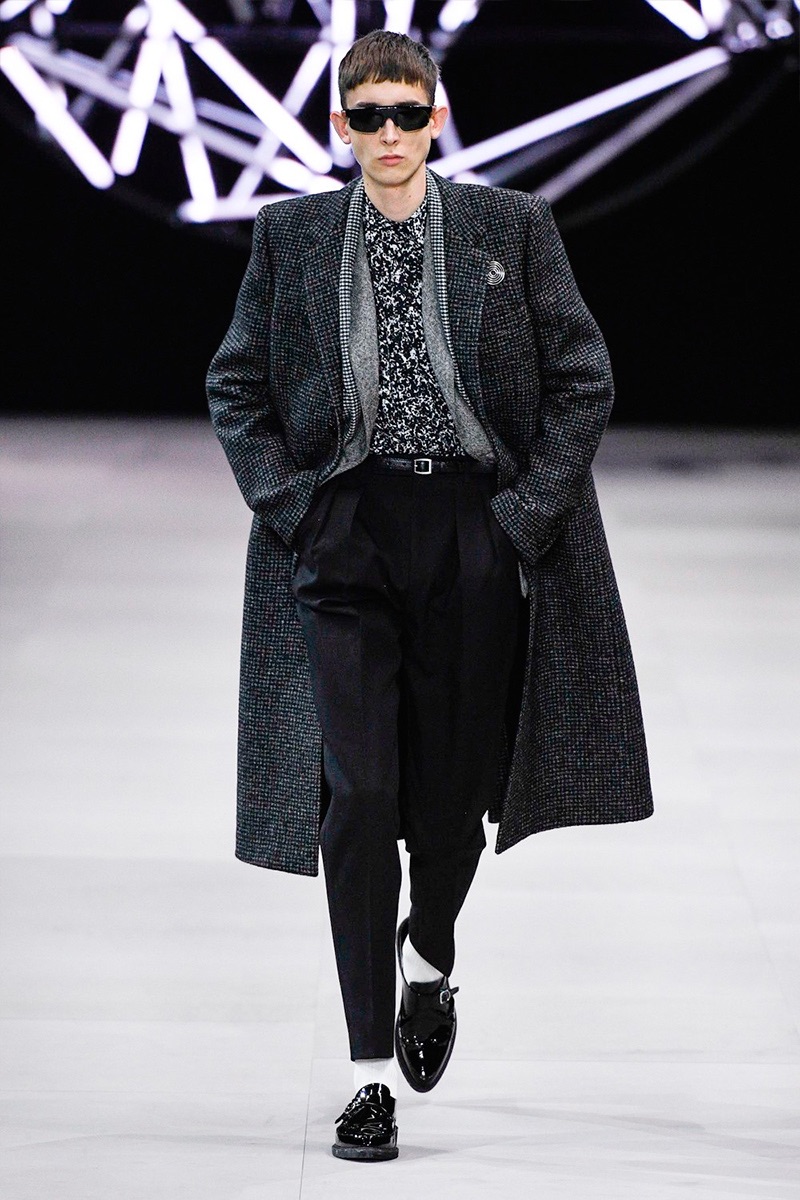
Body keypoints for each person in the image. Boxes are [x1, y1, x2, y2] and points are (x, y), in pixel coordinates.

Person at [206, 28, 653, 1163]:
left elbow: (585, 376)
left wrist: (520, 519)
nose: (391, 134)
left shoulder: (512, 227)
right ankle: (368, 1076)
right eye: (370, 117)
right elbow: (235, 382)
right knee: (357, 797)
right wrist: (295, 508)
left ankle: (429, 956)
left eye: (408, 113)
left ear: (437, 117)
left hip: (471, 528)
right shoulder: (292, 234)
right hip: (346, 529)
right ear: (342, 127)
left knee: (451, 803)